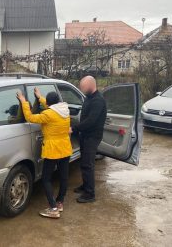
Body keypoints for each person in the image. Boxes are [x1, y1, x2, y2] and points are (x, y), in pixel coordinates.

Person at [17, 87, 72, 219]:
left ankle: (53, 208)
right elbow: (50, 106)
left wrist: (24, 101)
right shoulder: (65, 110)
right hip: (65, 147)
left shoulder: (48, 115)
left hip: (52, 149)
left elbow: (30, 117)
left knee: (46, 179)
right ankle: (59, 203)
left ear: (49, 103)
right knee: (64, 176)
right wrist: (40, 97)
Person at [71, 75, 107, 203]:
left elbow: (91, 121)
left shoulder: (98, 101)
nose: (82, 88)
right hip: (85, 135)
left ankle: (90, 194)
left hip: (92, 136)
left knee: (88, 164)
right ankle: (85, 186)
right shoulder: (88, 97)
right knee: (84, 163)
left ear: (91, 85)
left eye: (83, 86)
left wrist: (74, 128)